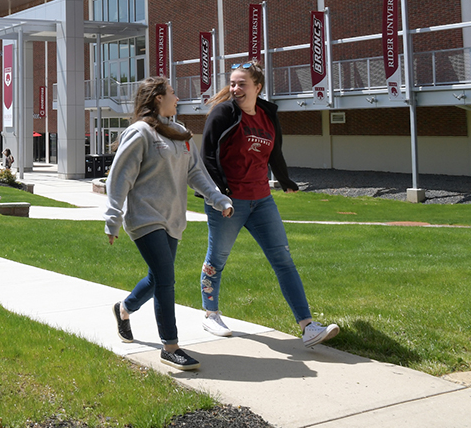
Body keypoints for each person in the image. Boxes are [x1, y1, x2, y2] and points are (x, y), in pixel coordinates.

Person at [199, 60, 340, 347]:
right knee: (218, 259)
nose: (235, 88)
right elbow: (208, 156)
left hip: (262, 199)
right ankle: (210, 314)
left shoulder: (266, 114)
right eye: (233, 83)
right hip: (228, 201)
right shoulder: (223, 112)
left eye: (242, 83)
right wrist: (218, 194)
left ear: (258, 87)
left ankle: (308, 326)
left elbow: (275, 151)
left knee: (283, 260)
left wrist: (285, 179)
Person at [104, 77, 234, 371]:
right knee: (166, 279)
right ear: (158, 98)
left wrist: (219, 199)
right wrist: (113, 219)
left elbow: (197, 174)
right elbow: (119, 178)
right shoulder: (140, 133)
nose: (177, 97)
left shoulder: (179, 134)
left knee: (156, 278)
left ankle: (124, 309)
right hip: (145, 218)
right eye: (172, 93)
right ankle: (170, 346)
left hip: (173, 219)